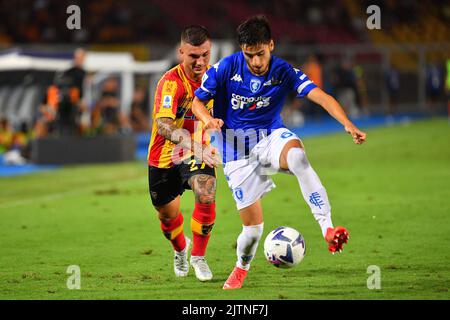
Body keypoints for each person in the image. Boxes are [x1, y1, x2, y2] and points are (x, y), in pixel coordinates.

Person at [192, 15, 366, 290]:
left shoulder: (284, 71)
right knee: (252, 231)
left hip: (270, 137)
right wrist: (207, 120)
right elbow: (197, 102)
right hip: (235, 151)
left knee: (298, 157)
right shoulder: (225, 68)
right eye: (250, 55)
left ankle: (328, 229)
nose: (256, 62)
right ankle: (242, 266)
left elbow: (321, 96)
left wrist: (347, 123)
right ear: (242, 51)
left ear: (271, 45)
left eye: (261, 53)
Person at [147, 25, 219, 281]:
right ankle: (180, 249)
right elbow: (164, 126)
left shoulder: (216, 79)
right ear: (181, 53)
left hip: (196, 152)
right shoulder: (170, 83)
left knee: (206, 191)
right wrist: (195, 145)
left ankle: (198, 257)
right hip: (164, 156)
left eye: (205, 55)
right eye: (193, 56)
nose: (200, 62)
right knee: (167, 216)